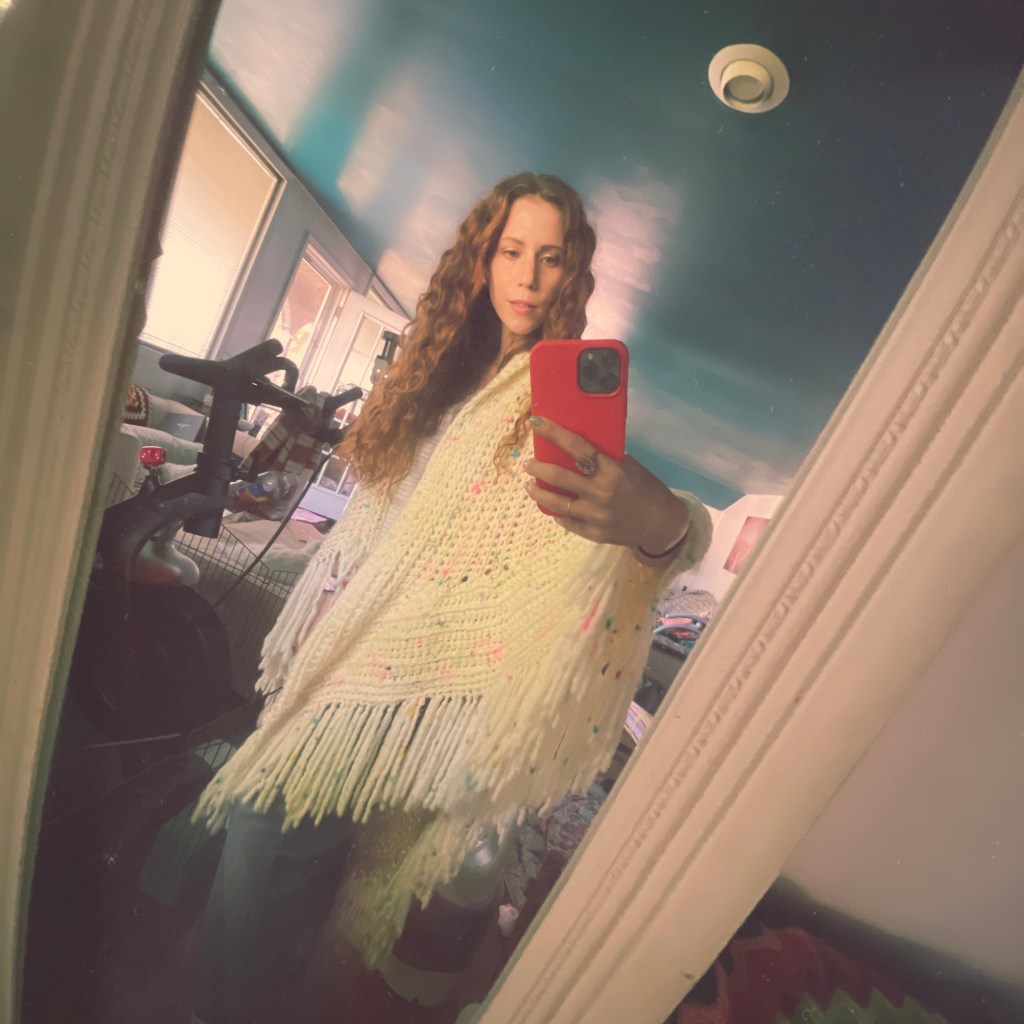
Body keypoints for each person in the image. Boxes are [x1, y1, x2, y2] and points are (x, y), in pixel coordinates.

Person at [190, 171, 712, 1024]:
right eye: (511, 251)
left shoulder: (545, 400)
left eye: (551, 258)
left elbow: (626, 534)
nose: (528, 277)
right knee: (275, 865)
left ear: (572, 274)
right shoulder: (438, 379)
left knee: (261, 827)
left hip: (414, 690)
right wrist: (332, 607)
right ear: (481, 257)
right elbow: (386, 527)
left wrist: (665, 526)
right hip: (345, 655)